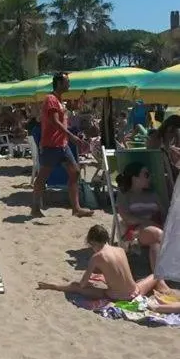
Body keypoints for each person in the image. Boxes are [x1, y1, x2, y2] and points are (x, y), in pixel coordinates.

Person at [37, 224, 166, 300]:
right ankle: (162, 287)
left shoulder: (97, 257)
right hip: (136, 291)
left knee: (75, 286)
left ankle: (53, 286)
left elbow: (82, 284)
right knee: (155, 275)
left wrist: (89, 284)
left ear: (93, 242)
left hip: (116, 296)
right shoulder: (120, 250)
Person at [31, 72, 92, 218]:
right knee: (42, 177)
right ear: (59, 83)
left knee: (75, 172)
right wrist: (71, 136)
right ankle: (34, 208)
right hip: (51, 145)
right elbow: (55, 122)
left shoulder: (58, 100)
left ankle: (76, 208)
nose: (69, 84)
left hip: (62, 145)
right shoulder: (51, 99)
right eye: (67, 81)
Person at [116, 161, 164, 270]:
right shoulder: (125, 195)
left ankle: (159, 279)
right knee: (156, 233)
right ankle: (159, 280)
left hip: (156, 228)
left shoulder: (153, 194)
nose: (149, 177)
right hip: (135, 232)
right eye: (146, 175)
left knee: (155, 239)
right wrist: (147, 222)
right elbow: (126, 218)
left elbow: (165, 213)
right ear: (134, 178)